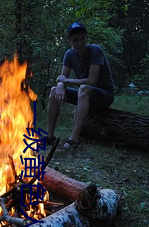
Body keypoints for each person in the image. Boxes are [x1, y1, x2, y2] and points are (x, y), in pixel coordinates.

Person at [46, 21, 116, 149]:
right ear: (70, 41)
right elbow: (62, 78)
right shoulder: (69, 54)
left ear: (86, 37)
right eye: (75, 40)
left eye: (82, 39)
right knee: (54, 90)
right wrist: (60, 85)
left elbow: (91, 81)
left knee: (84, 88)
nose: (79, 43)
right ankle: (50, 136)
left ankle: (74, 139)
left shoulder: (95, 50)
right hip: (85, 94)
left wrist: (65, 81)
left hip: (104, 95)